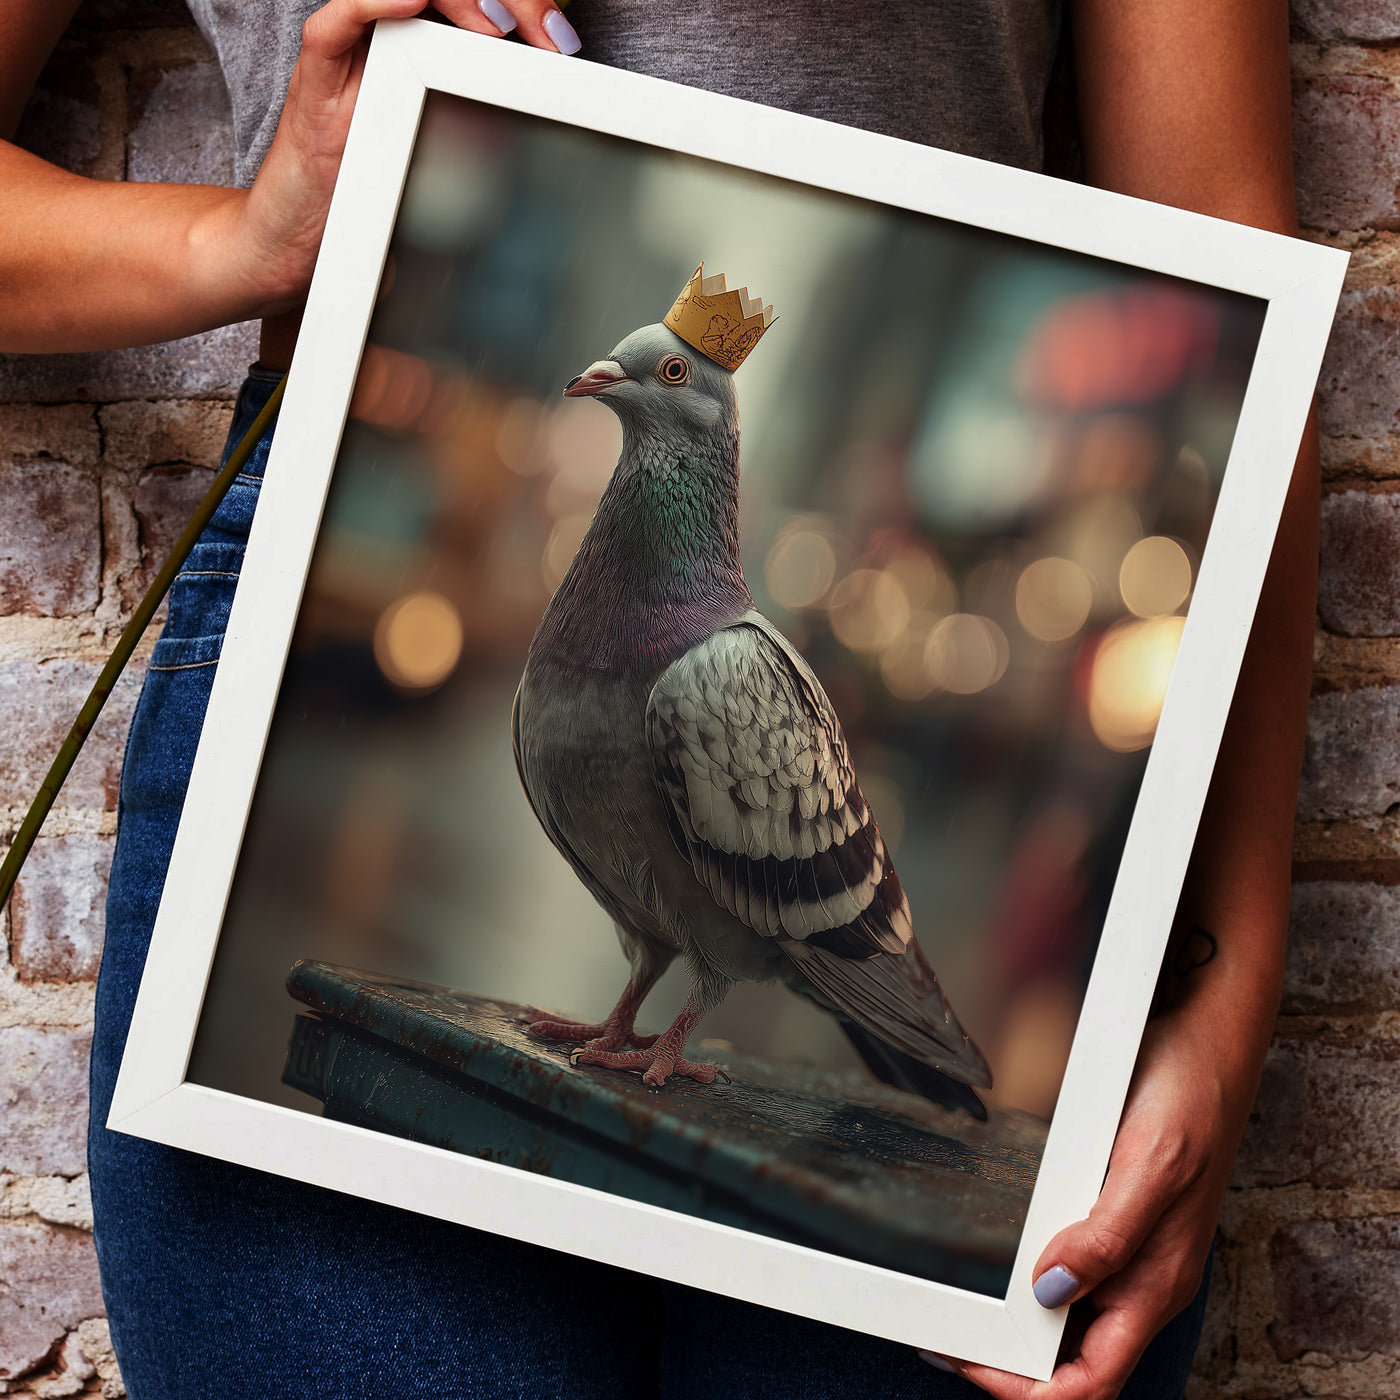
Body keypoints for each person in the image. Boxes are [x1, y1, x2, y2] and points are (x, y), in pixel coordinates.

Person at [0, 2, 1316, 1396]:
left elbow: (1235, 280)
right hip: (288, 558)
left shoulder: (731, 675)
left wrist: (1221, 1009)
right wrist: (243, 238)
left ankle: (667, 1024)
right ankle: (642, 1014)